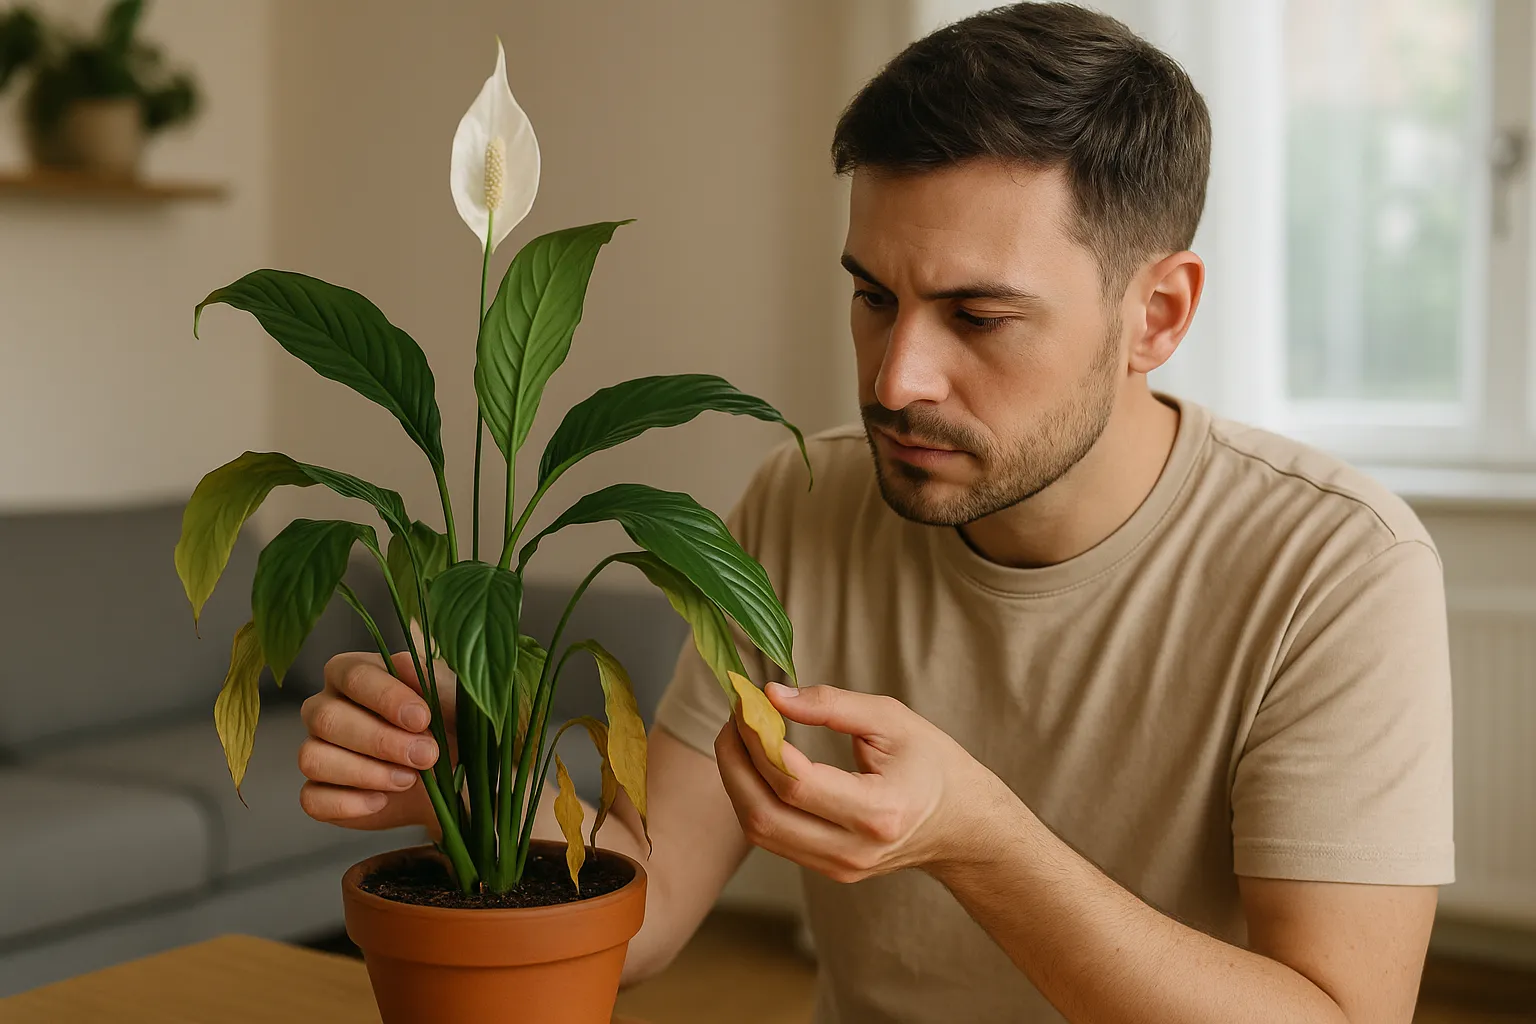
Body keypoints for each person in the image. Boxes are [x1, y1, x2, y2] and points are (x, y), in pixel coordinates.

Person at [294, 4, 1454, 1021]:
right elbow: (642, 914)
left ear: (1157, 313)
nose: (896, 377)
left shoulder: (1339, 569)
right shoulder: (803, 504)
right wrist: (474, 780)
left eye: (979, 317)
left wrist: (981, 840)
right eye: (872, 296)